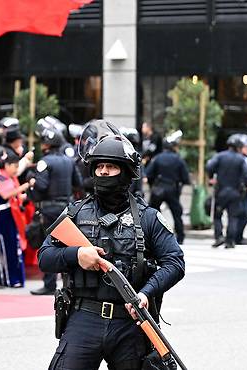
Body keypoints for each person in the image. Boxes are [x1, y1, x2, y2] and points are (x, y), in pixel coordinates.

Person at [38, 122, 185, 370]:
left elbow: (175, 262)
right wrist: (77, 254)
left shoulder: (147, 217)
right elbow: (45, 256)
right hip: (84, 318)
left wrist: (146, 293)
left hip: (130, 322)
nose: (104, 172)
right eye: (99, 166)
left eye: (112, 166)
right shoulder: (74, 213)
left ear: (126, 172)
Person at [29, 120, 83, 296]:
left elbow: (42, 186)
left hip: (49, 209)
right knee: (68, 245)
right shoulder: (69, 161)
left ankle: (49, 284)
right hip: (66, 208)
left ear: (46, 144)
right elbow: (78, 184)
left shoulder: (44, 162)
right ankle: (71, 283)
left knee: (49, 247)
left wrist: (32, 185)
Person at [0, 152, 35, 288]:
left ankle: (15, 278)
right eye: (14, 167)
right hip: (2, 217)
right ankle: (8, 278)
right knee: (6, 246)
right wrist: (25, 186)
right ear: (7, 165)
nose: (16, 170)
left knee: (14, 246)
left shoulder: (10, 178)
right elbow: (6, 194)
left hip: (11, 214)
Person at [206, 134, 247, 249]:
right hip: (235, 193)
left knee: (217, 216)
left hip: (221, 191)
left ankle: (219, 237)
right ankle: (230, 241)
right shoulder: (241, 159)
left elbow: (209, 166)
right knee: (233, 217)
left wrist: (211, 177)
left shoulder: (220, 156)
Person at [145, 132, 190, 244]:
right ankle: (180, 237)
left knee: (152, 213)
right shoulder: (178, 159)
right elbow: (185, 178)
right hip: (172, 188)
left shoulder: (157, 158)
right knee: (176, 214)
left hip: (158, 188)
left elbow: (149, 174)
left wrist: (152, 185)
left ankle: (151, 236)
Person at [233, 134, 247, 244]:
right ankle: (236, 237)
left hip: (246, 191)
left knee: (246, 214)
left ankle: (238, 236)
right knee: (240, 214)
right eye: (246, 147)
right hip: (239, 191)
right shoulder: (238, 159)